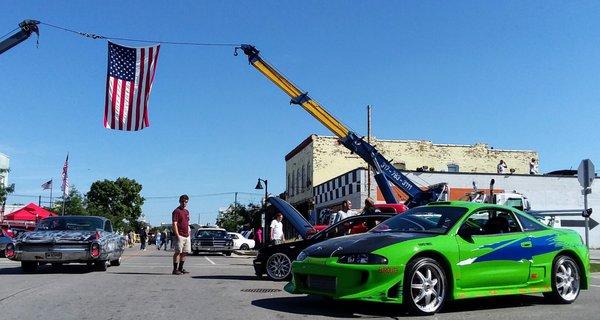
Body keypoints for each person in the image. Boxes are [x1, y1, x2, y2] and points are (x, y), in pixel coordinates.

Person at [172, 194, 191, 275]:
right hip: (180, 235)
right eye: (183, 202)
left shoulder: (187, 212)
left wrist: (189, 232)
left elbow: (188, 223)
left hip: (187, 235)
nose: (184, 203)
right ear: (180, 201)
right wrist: (177, 235)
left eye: (186, 202)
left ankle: (181, 268)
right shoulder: (176, 211)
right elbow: (174, 223)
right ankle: (175, 269)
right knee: (178, 252)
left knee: (185, 252)